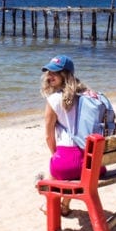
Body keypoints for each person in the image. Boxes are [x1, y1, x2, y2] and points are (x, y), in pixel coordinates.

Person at [40, 55, 92, 214]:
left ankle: (49, 205)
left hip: (68, 164)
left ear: (65, 75)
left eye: (54, 72)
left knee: (58, 165)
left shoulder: (53, 100)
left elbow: (49, 136)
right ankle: (64, 205)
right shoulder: (88, 95)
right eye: (48, 72)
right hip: (93, 164)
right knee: (66, 165)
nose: (49, 76)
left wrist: (55, 154)